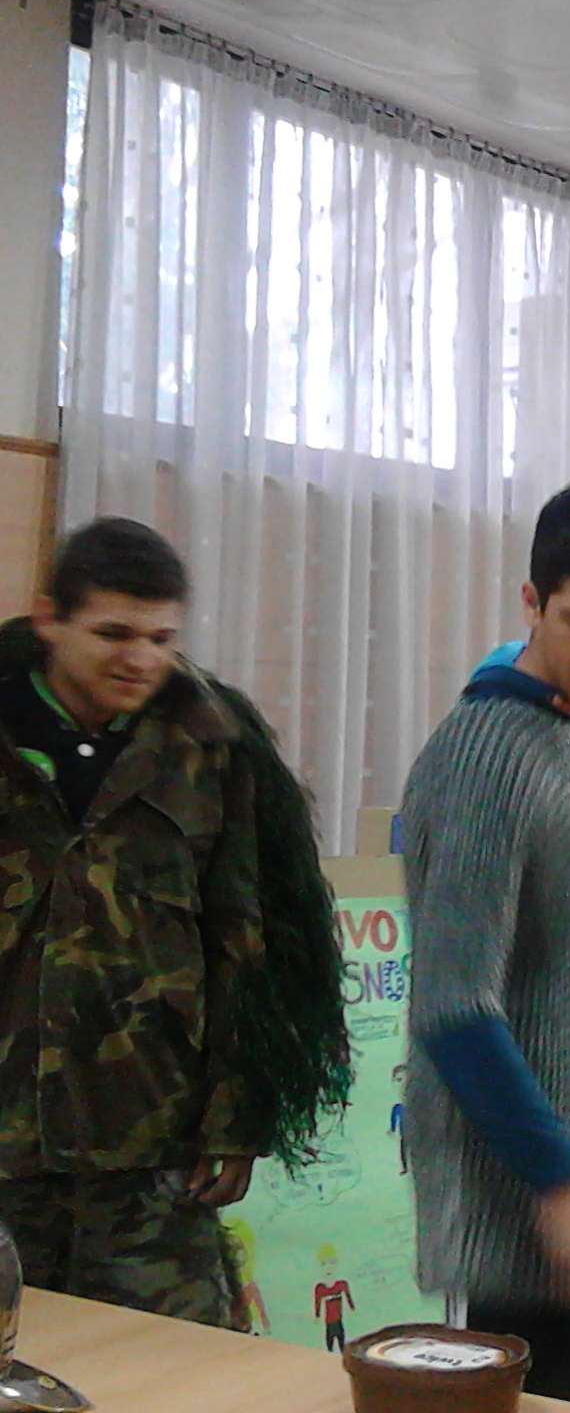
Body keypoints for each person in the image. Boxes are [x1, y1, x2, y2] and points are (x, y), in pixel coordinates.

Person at [0, 517, 349, 1326]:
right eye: (113, 634)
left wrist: (239, 1116)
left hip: (149, 1144)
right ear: (50, 619)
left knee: (185, 1368)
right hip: (6, 1144)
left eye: (161, 639)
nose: (141, 661)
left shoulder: (212, 744)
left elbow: (249, 940)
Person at [401, 478, 570, 1410]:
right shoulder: (485, 754)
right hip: (522, 1196)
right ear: (532, 603)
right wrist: (567, 1186)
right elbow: (452, 1006)